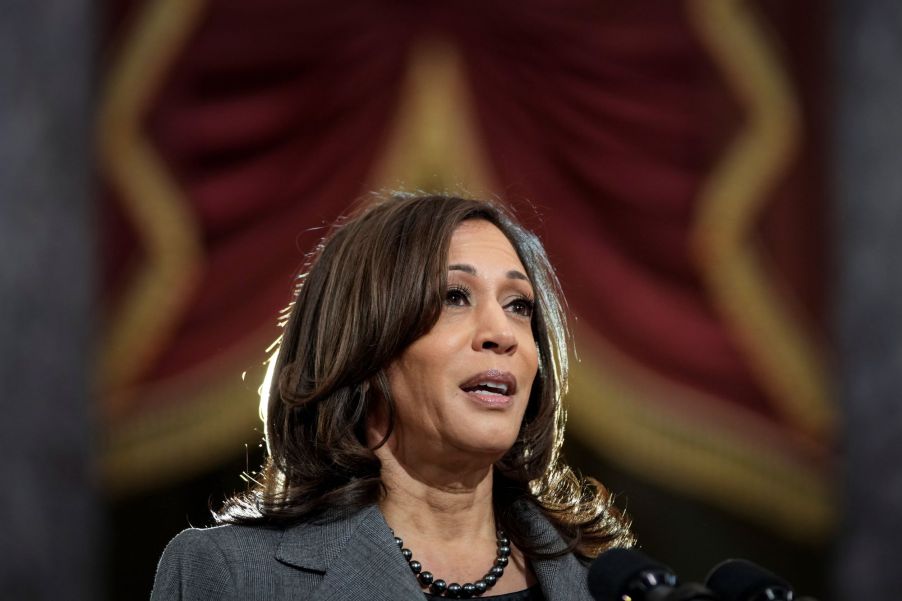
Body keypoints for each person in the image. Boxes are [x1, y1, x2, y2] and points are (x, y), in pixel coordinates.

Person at [151, 193, 635, 600]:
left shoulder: (604, 580)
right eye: (454, 297)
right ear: (363, 343)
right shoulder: (230, 576)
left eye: (519, 306)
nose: (501, 334)